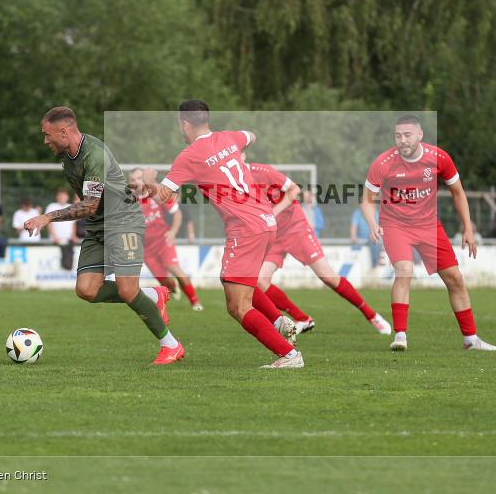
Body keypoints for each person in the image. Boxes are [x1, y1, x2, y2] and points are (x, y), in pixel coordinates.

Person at [143, 99, 304, 369]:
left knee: (237, 305)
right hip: (266, 221)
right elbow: (252, 135)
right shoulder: (230, 137)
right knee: (239, 285)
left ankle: (289, 355)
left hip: (246, 228)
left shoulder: (190, 155)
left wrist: (149, 179)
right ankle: (279, 321)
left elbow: (164, 196)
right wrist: (236, 150)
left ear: (184, 124)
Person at [23, 106, 183, 365]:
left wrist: (48, 216)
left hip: (124, 223)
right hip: (99, 227)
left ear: (64, 131)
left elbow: (88, 205)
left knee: (128, 290)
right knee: (86, 290)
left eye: (47, 134)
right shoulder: (66, 156)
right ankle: (153, 296)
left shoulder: (93, 155)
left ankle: (171, 345)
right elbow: (91, 203)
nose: (45, 140)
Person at [361, 115, 496, 352]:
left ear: (420, 135)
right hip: (395, 225)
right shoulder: (384, 163)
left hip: (428, 226)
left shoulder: (438, 158)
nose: (402, 140)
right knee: (404, 271)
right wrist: (373, 224)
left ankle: (471, 340)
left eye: (407, 135)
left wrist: (468, 227)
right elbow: (366, 200)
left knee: (455, 278)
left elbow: (457, 192)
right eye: (398, 136)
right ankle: (400, 336)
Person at [245, 152, 391, 335]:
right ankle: (302, 318)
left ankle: (372, 316)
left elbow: (295, 190)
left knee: (328, 277)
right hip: (273, 235)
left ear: (243, 156)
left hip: (295, 228)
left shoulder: (261, 171)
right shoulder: (232, 185)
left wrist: (272, 213)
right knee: (259, 280)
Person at [128, 167, 203, 311]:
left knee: (175, 269)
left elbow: (177, 213)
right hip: (145, 248)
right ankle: (173, 288)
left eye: (139, 178)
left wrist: (173, 231)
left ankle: (195, 302)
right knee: (165, 281)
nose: (136, 182)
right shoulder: (128, 202)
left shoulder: (156, 194)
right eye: (133, 179)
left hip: (163, 241)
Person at [351, 203, 383, 269]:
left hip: (371, 237)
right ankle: (355, 268)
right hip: (360, 238)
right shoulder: (357, 213)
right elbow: (354, 226)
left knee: (375, 244)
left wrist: (379, 237)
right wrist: (353, 236)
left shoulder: (375, 213)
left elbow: (379, 226)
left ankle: (374, 265)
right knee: (354, 250)